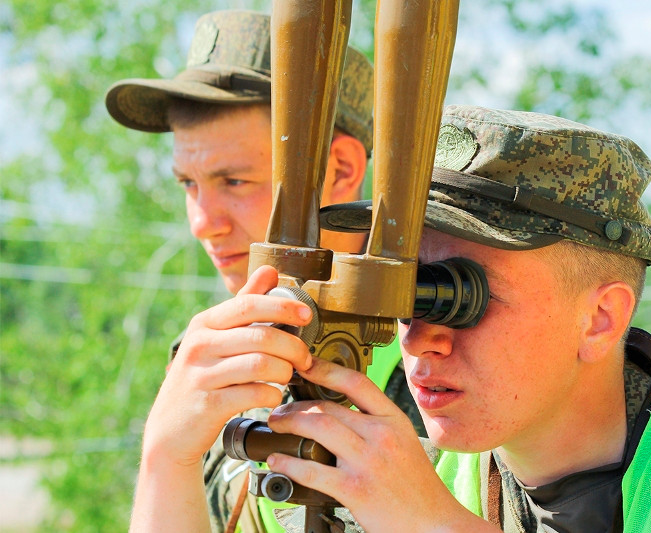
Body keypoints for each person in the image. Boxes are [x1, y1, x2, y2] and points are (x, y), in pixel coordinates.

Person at [130, 105, 651, 532]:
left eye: (459, 295)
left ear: (599, 317)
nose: (422, 336)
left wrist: (434, 525)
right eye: (407, 295)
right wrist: (168, 455)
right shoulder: (405, 482)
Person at [105, 10, 424, 533]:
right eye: (189, 184)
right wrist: (166, 456)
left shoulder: (444, 353)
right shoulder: (220, 356)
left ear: (341, 170)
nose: (202, 224)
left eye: (233, 181)